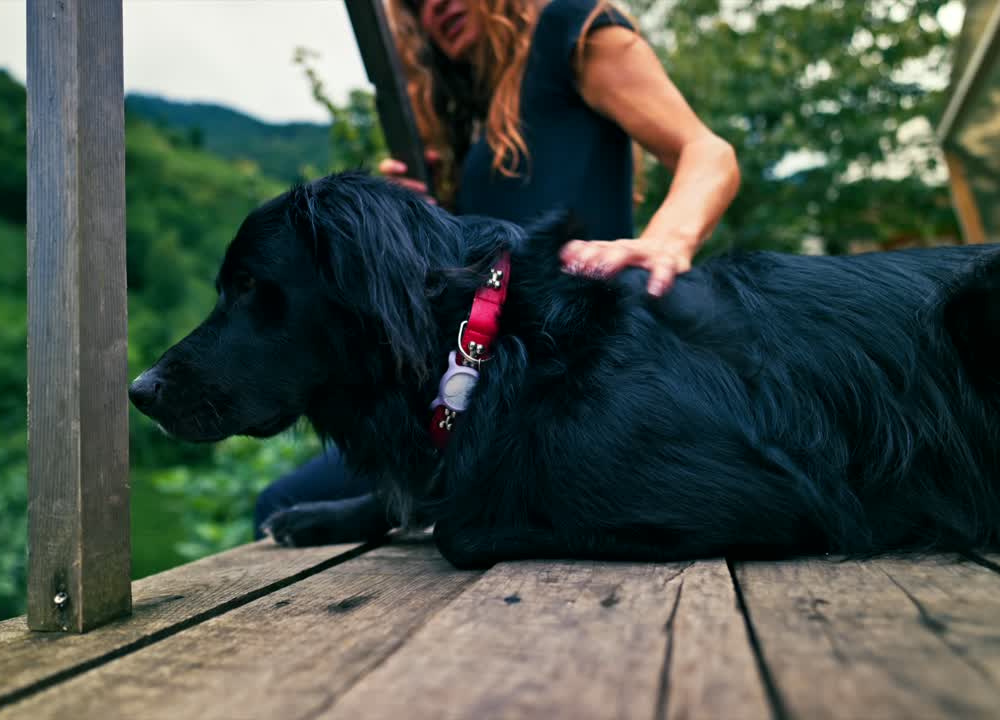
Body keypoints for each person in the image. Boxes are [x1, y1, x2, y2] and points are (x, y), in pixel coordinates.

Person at [254, 0, 740, 536]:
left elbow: (708, 152)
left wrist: (665, 244)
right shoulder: (467, 112)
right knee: (280, 503)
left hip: (579, 378)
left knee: (291, 507)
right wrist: (419, 222)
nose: (433, 7)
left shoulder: (571, 29)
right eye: (412, 4)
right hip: (484, 393)